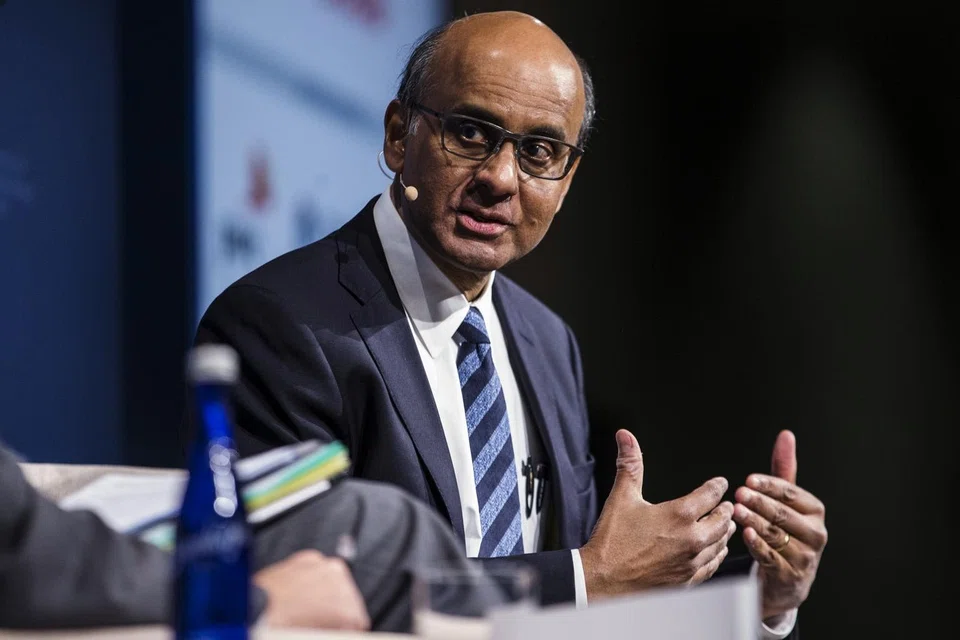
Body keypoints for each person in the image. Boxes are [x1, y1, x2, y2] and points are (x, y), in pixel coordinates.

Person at [189, 10, 826, 638]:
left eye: (539, 151)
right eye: (470, 133)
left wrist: (762, 601)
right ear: (398, 135)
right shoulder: (279, 324)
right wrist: (585, 578)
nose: (499, 178)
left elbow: (597, 603)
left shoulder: (547, 341)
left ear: (567, 179)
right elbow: (296, 590)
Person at [0, 442, 504, 632]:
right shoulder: (280, 312)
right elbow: (19, 542)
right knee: (384, 530)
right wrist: (247, 601)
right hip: (52, 550)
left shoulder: (539, 332)